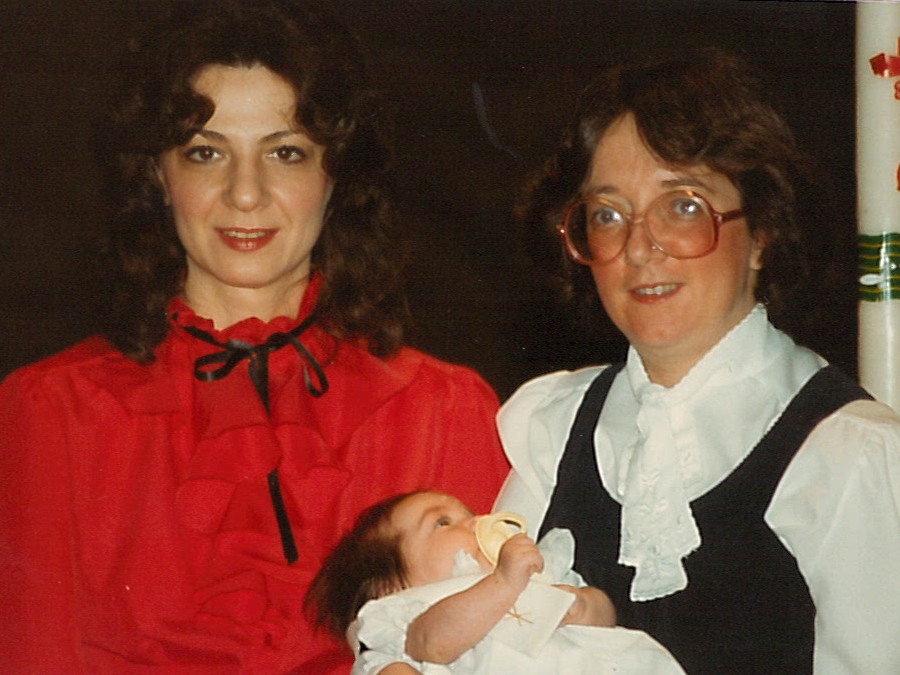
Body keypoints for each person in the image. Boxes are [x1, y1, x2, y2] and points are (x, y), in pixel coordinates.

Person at [0, 2, 509, 672]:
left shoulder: (445, 411)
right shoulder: (47, 413)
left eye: (286, 153)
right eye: (206, 152)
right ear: (157, 175)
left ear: (335, 176)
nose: (246, 193)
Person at [494, 48, 900, 674]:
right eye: (607, 215)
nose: (639, 248)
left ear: (762, 231)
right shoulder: (552, 429)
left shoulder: (850, 456)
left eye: (682, 205)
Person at [305, 490, 685, 674]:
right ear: (390, 588)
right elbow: (433, 644)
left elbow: (606, 620)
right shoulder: (410, 614)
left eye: (469, 512)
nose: (476, 521)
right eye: (443, 522)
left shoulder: (536, 568)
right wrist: (502, 582)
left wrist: (583, 605)